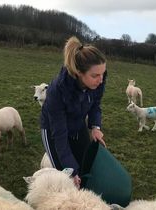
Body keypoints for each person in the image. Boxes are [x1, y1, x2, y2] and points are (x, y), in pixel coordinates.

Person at [40, 36, 107, 189]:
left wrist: (95, 127)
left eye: (103, 73)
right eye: (95, 75)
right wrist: (70, 170)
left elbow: (95, 104)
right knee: (65, 176)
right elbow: (60, 136)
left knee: (85, 165)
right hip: (54, 130)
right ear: (78, 72)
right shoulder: (58, 91)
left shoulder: (98, 79)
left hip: (78, 124)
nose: (101, 80)